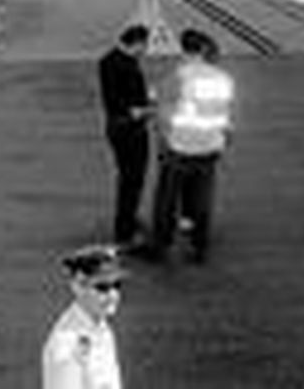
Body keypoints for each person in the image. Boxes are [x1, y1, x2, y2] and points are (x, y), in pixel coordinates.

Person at [146, 29, 235, 264]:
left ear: (182, 49)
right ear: (204, 49)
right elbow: (225, 114)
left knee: (167, 200)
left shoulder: (178, 77)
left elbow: (161, 113)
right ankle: (200, 246)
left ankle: (161, 246)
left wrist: (162, 143)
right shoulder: (223, 77)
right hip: (210, 147)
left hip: (180, 147)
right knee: (202, 200)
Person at [97, 25, 153, 248]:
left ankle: (128, 218)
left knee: (127, 178)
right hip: (129, 129)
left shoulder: (108, 60)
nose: (146, 50)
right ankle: (124, 230)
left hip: (117, 127)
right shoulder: (124, 65)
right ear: (137, 43)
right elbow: (116, 101)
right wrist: (143, 110)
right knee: (133, 179)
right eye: (145, 45)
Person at [41, 244, 126, 389]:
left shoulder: (100, 325)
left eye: (117, 285)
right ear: (78, 287)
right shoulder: (67, 347)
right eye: (102, 287)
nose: (112, 295)